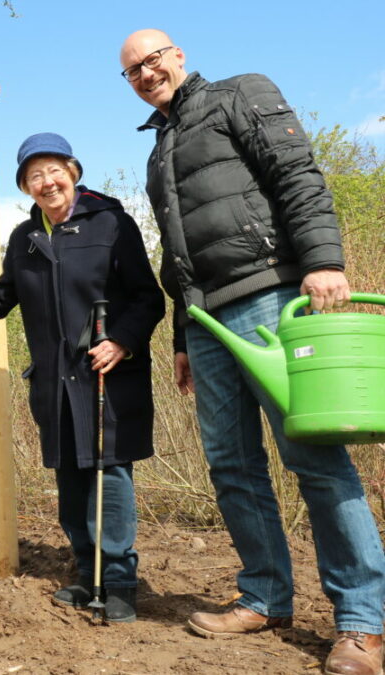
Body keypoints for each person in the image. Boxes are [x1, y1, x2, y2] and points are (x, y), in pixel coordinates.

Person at [121, 29, 385, 674]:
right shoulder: (159, 152)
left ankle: (363, 622)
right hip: (208, 321)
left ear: (178, 55)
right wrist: (184, 336)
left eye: (154, 59)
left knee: (313, 457)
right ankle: (265, 595)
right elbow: (177, 254)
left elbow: (297, 174)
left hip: (270, 296)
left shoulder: (242, 94)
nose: (147, 72)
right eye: (133, 70)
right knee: (231, 464)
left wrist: (323, 261)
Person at [0, 133, 164, 622]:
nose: (46, 182)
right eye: (34, 176)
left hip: (107, 375)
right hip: (54, 383)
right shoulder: (25, 240)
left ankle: (119, 582)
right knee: (71, 481)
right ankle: (87, 573)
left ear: (73, 171)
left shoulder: (111, 222)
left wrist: (120, 340)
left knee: (111, 475)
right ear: (25, 187)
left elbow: (149, 297)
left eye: (54, 170)